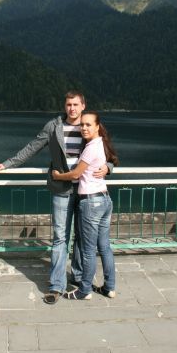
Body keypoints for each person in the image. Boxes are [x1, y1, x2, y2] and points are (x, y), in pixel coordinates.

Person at [0, 91, 113, 304]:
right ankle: (56, 285)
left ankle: (78, 277)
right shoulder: (53, 126)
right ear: (65, 106)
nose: (72, 108)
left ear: (83, 105)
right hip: (62, 190)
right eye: (68, 104)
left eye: (75, 104)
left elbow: (107, 152)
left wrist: (108, 167)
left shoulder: (89, 126)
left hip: (85, 191)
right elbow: (32, 147)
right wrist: (8, 164)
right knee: (60, 238)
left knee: (82, 239)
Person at [52, 111, 119, 300]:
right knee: (104, 247)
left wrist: (58, 176)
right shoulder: (101, 143)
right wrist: (108, 167)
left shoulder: (91, 147)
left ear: (97, 126)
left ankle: (84, 290)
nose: (84, 128)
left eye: (88, 124)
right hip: (105, 199)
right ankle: (109, 287)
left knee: (88, 250)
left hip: (91, 202)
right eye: (82, 125)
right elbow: (110, 161)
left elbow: (76, 174)